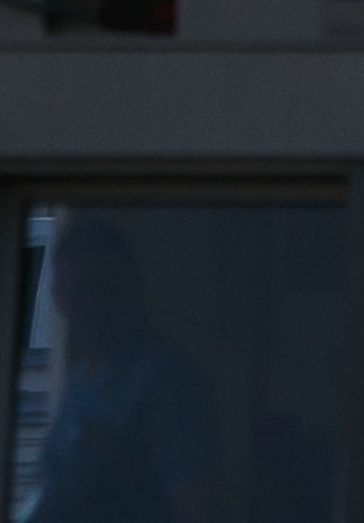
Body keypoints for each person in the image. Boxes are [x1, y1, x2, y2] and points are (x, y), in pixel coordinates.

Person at [21, 217, 220, 523]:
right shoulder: (82, 380)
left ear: (133, 286)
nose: (92, 304)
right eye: (78, 291)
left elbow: (195, 503)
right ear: (59, 298)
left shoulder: (164, 379)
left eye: (105, 287)